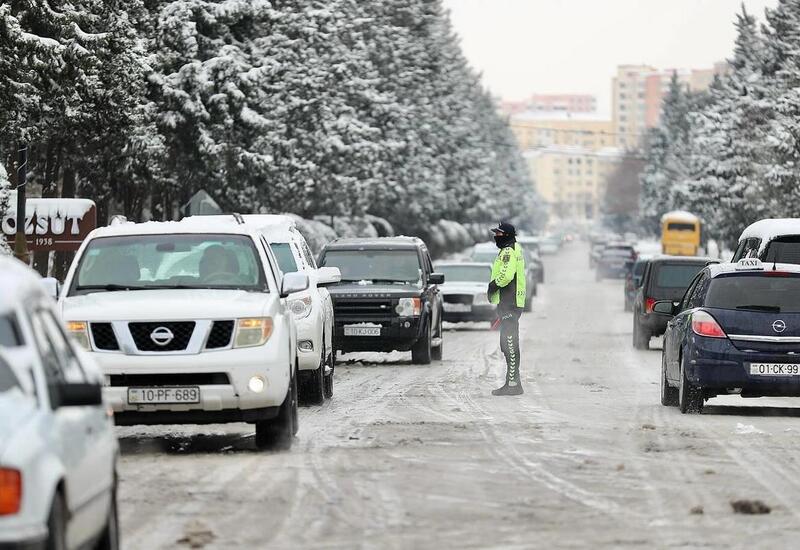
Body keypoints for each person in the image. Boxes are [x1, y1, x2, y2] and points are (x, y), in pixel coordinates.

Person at [487, 221, 526, 396]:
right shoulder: (512, 249)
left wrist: (494, 285)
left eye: (499, 234)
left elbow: (507, 275)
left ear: (507, 236)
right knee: (507, 343)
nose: (496, 237)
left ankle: (513, 384)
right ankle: (512, 382)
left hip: (509, 302)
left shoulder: (508, 252)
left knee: (509, 343)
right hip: (509, 302)